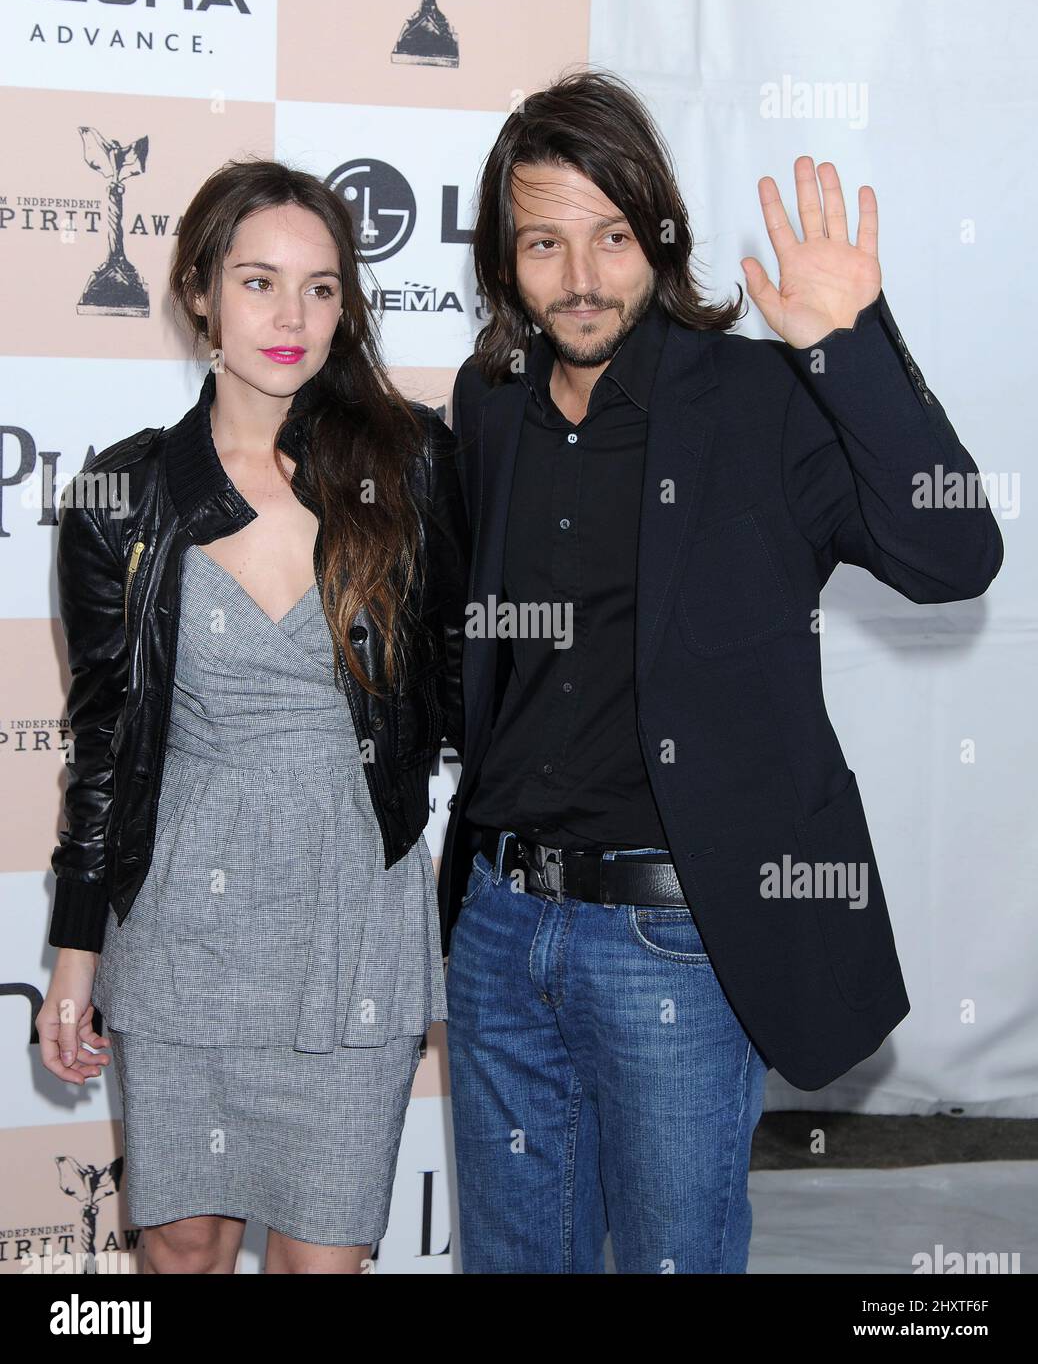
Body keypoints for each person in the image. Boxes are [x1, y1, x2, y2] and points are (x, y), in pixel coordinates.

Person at [439, 69, 1003, 1273]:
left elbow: (954, 551)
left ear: (661, 233)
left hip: (675, 945)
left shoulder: (756, 397)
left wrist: (852, 345)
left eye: (611, 235)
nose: (581, 277)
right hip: (499, 931)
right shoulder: (487, 405)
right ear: (503, 258)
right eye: (544, 242)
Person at [38, 158, 468, 1275]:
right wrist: (75, 958)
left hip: (351, 920)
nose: (292, 317)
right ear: (198, 291)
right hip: (185, 922)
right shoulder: (123, 499)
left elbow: (468, 684)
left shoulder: (411, 466)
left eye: (322, 288)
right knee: (183, 1245)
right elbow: (104, 749)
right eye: (260, 282)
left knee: (323, 1258)